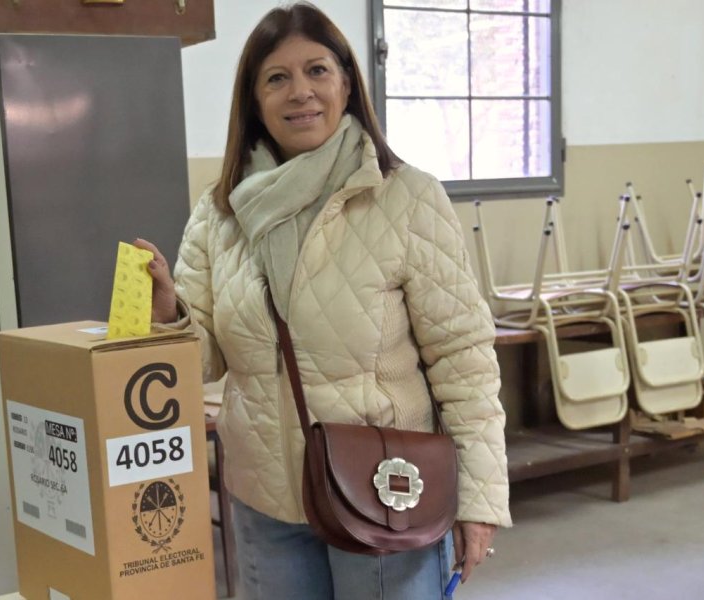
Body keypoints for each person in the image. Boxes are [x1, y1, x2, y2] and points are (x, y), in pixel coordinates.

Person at [135, 3, 511, 598]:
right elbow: (203, 360)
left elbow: (464, 360)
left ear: (346, 83)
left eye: (317, 71)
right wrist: (166, 315)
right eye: (277, 78)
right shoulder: (222, 211)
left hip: (387, 492)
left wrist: (480, 499)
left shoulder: (407, 198)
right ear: (254, 99)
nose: (300, 93)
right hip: (267, 502)